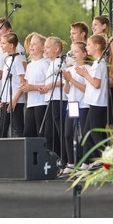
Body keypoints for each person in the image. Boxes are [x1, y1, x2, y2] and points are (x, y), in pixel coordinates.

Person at [76, 34, 108, 170]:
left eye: (88, 45)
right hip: (93, 103)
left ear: (96, 46)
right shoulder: (97, 63)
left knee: (94, 133)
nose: (87, 47)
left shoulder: (99, 64)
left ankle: (105, 158)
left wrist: (85, 74)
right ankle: (88, 162)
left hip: (97, 103)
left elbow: (96, 84)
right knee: (87, 133)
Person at [62, 41, 91, 174]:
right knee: (68, 133)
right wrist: (67, 81)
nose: (73, 54)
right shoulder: (70, 69)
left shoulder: (87, 69)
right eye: (72, 51)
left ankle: (86, 161)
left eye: (76, 51)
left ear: (84, 54)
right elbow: (67, 91)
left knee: (84, 133)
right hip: (72, 104)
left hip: (83, 104)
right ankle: (71, 162)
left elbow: (87, 89)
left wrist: (72, 80)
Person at [40, 36, 68, 165]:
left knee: (59, 129)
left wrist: (51, 85)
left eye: (47, 47)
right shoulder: (52, 63)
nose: (45, 50)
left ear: (56, 49)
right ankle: (54, 157)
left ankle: (64, 158)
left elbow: (64, 80)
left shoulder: (59, 62)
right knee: (50, 130)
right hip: (51, 99)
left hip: (58, 99)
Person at [92, 16, 113, 129]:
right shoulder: (93, 43)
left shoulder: (111, 42)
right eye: (92, 25)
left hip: (109, 82)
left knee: (111, 120)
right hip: (98, 85)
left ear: (104, 26)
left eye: (95, 24)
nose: (92, 27)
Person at [21, 33, 49, 137]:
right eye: (30, 44)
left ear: (42, 47)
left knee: (40, 132)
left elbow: (48, 85)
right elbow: (28, 84)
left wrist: (32, 87)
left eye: (34, 44)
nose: (31, 46)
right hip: (31, 103)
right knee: (28, 133)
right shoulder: (30, 65)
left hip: (41, 103)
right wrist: (24, 87)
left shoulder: (45, 63)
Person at [0, 32, 26, 137]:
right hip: (7, 100)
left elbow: (23, 82)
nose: (1, 45)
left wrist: (14, 100)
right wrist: (3, 100)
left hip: (15, 101)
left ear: (11, 45)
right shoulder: (9, 59)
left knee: (18, 129)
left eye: (4, 43)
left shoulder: (17, 60)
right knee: (2, 130)